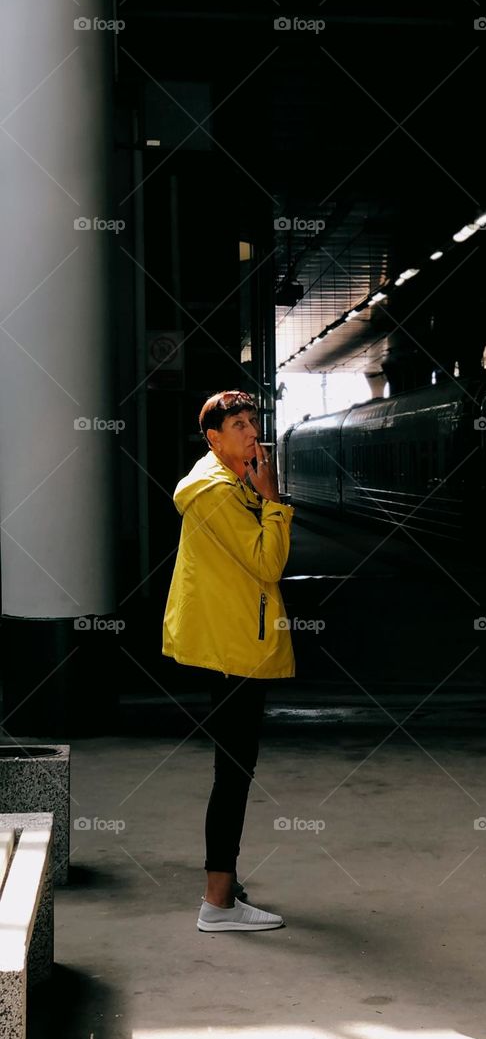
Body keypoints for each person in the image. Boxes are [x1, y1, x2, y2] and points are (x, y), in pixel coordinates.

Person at [162, 389, 296, 932]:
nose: (249, 432)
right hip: (232, 646)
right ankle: (217, 903)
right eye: (236, 425)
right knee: (234, 771)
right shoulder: (217, 493)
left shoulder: (224, 481)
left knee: (234, 768)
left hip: (236, 638)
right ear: (213, 439)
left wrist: (260, 495)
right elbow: (269, 563)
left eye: (252, 422)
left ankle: (223, 887)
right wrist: (274, 500)